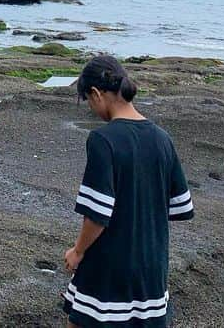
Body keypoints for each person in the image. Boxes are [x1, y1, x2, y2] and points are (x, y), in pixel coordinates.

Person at [62, 56, 193, 328]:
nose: (91, 108)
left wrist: (77, 251)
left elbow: (97, 215)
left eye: (87, 100)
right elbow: (179, 206)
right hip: (152, 267)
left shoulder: (103, 140)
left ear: (97, 94)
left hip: (110, 264)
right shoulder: (162, 138)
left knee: (81, 322)